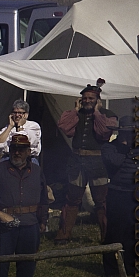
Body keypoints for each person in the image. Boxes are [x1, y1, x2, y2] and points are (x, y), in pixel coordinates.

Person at [0, 135, 49, 277]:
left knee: (28, 261)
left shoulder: (37, 171)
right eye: (14, 149)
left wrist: (43, 220)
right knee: (1, 260)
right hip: (4, 224)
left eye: (21, 150)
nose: (17, 153)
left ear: (28, 152)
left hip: (30, 222)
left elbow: (43, 198)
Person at [54, 80, 117, 245]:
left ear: (97, 100)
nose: (87, 101)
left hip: (98, 163)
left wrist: (97, 113)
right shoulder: (77, 114)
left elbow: (104, 132)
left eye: (91, 98)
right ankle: (63, 235)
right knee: (72, 199)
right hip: (77, 162)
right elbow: (64, 127)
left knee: (101, 201)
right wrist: (75, 110)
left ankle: (107, 236)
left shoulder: (107, 114)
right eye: (85, 98)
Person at [100, 117, 139, 277]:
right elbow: (115, 162)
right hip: (117, 193)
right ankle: (112, 269)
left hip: (136, 193)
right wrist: (127, 150)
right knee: (115, 232)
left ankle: (131, 267)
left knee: (134, 231)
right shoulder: (109, 147)